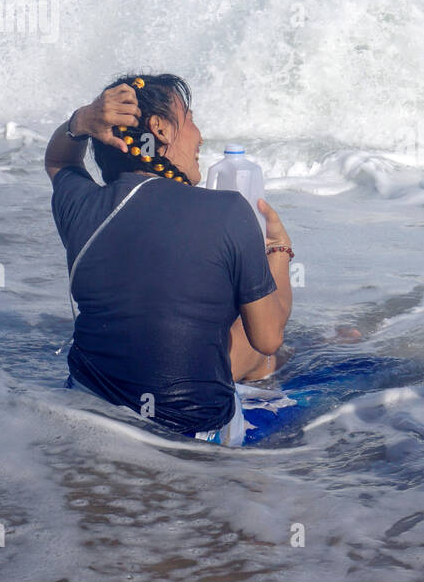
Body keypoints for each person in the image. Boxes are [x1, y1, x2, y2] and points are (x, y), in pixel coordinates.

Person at [43, 74, 294, 447]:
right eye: (189, 119)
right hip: (192, 435)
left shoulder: (80, 203)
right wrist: (278, 250)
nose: (200, 137)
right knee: (267, 355)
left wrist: (81, 121)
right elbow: (268, 337)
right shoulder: (228, 210)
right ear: (160, 129)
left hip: (88, 412)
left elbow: (58, 158)